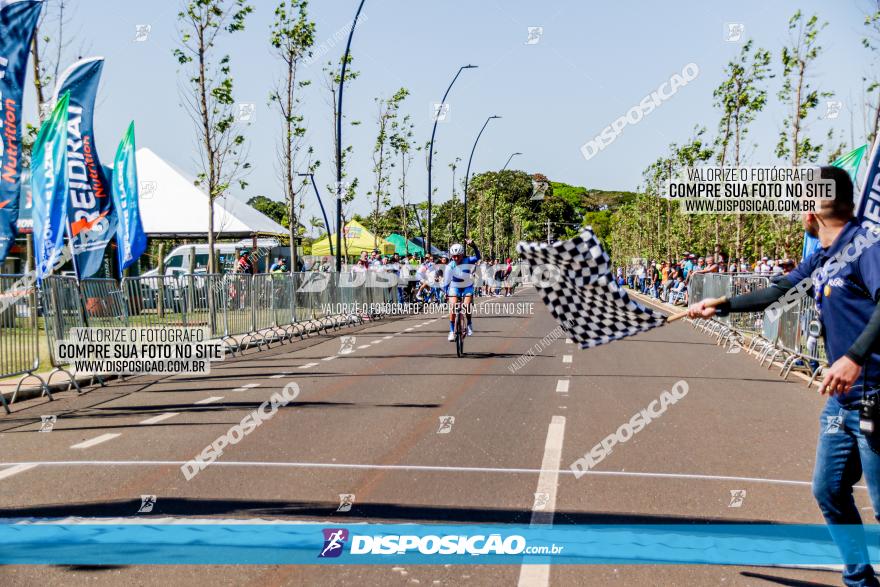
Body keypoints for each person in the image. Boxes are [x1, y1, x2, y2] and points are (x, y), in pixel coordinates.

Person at [687, 166, 880, 587]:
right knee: (828, 491)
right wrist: (720, 305)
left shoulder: (867, 247)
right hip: (842, 401)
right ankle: (859, 580)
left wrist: (853, 357)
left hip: (876, 396)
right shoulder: (825, 256)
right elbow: (778, 293)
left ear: (809, 211)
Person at [446, 239, 480, 341]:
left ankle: (469, 323)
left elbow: (478, 257)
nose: (456, 258)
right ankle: (452, 331)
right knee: (452, 308)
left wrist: (473, 246)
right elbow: (446, 281)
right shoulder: (450, 266)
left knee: (466, 306)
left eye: (458, 256)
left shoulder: (468, 260)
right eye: (453, 256)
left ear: (462, 254)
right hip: (455, 287)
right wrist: (445, 292)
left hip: (467, 286)